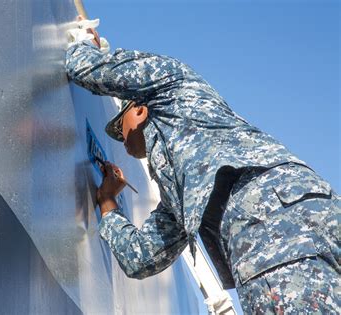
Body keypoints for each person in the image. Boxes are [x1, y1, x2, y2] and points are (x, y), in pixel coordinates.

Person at [66, 16, 340, 314]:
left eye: (120, 129)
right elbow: (142, 257)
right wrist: (108, 203)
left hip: (269, 228)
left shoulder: (172, 84)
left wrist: (82, 45)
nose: (122, 141)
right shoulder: (183, 196)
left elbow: (90, 70)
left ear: (140, 109)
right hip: (304, 218)